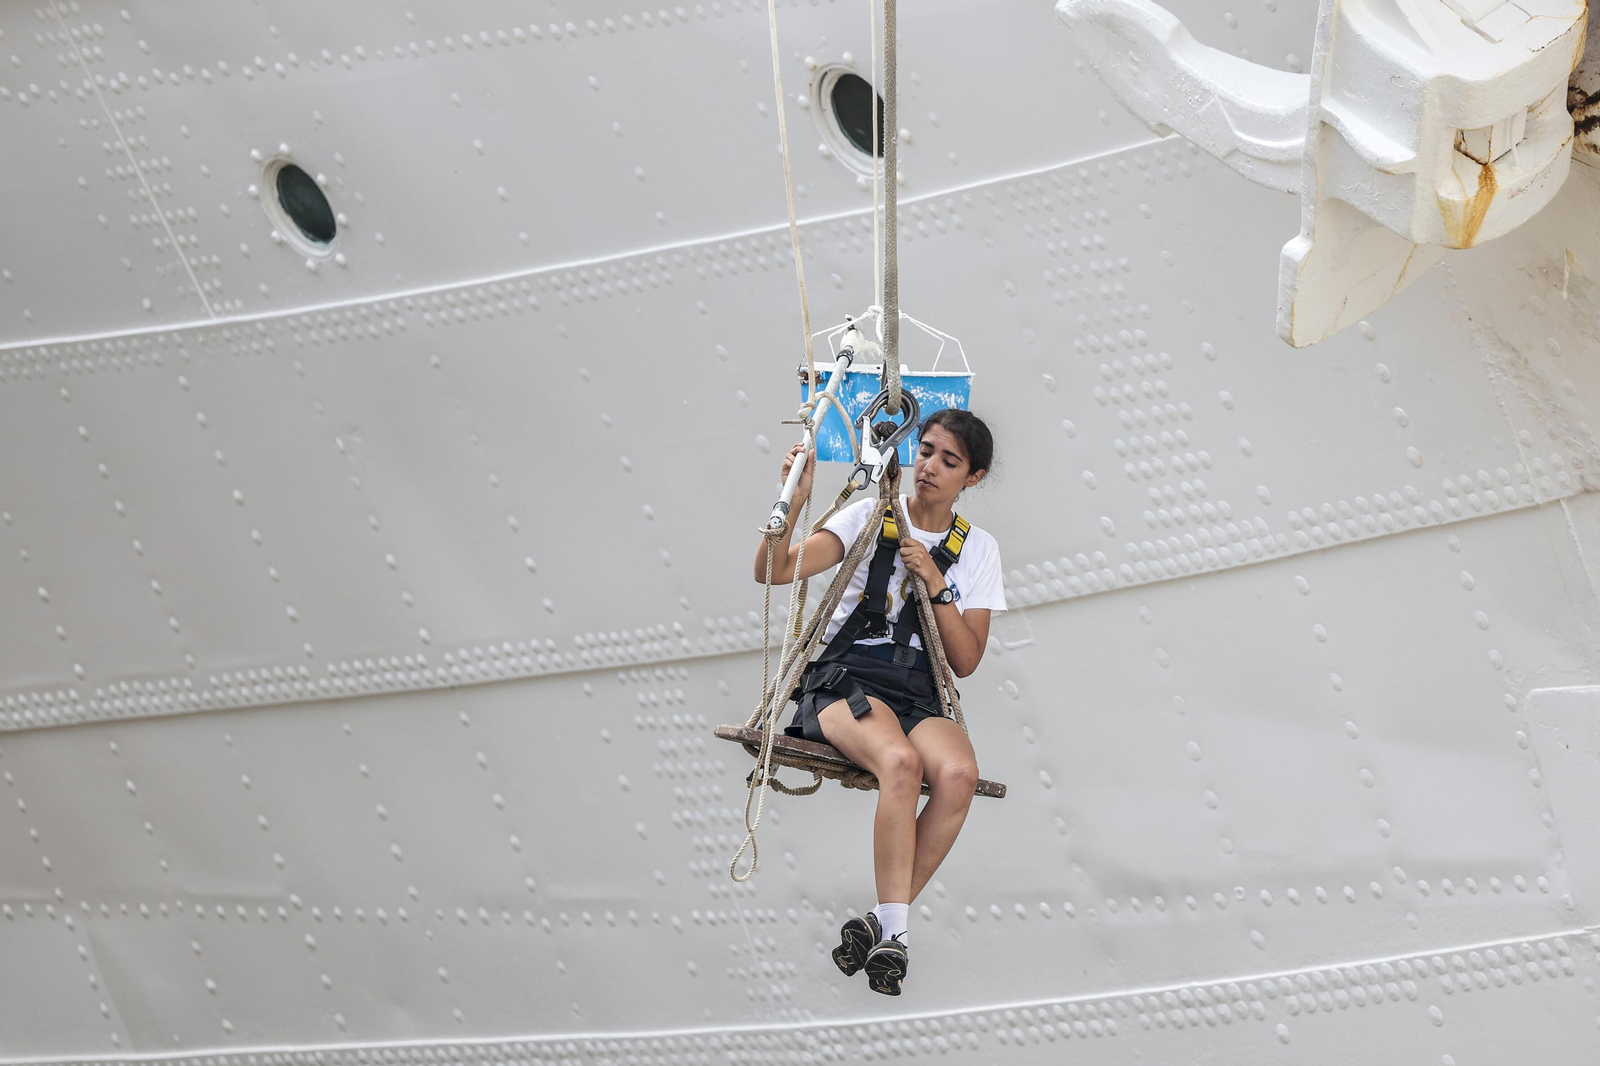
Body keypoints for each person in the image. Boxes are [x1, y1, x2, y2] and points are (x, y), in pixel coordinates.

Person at [752, 408, 1005, 996]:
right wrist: (794, 500)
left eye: (949, 461)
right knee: (900, 763)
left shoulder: (979, 550)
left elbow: (965, 659)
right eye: (926, 451)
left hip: (916, 690)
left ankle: (878, 920)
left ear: (973, 477)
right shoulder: (869, 515)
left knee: (959, 775)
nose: (929, 467)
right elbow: (773, 569)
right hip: (847, 680)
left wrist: (936, 584)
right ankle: (897, 937)